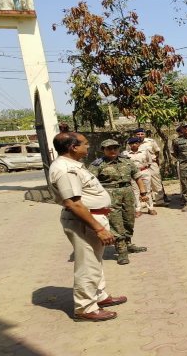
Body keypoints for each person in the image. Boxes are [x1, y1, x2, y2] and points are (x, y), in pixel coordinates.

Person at [49, 132, 126, 322]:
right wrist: (99, 228)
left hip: (92, 218)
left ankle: (100, 296)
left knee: (95, 261)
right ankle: (85, 308)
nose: (88, 146)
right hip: (85, 221)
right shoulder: (66, 169)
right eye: (85, 144)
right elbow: (73, 204)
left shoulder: (73, 165)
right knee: (87, 264)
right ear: (73, 147)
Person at [89, 139, 149, 265]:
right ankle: (121, 251)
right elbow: (91, 183)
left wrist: (143, 193)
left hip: (127, 192)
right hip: (109, 194)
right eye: (109, 148)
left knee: (129, 219)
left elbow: (137, 177)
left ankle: (128, 244)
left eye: (115, 148)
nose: (113, 151)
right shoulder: (97, 165)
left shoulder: (127, 162)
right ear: (103, 150)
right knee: (116, 222)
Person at [123, 137, 156, 217]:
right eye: (131, 144)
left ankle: (150, 208)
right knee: (135, 191)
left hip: (144, 171)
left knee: (147, 190)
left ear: (139, 144)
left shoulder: (144, 151)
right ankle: (138, 209)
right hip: (133, 174)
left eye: (136, 143)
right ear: (129, 145)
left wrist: (144, 168)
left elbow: (149, 161)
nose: (134, 145)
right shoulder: (125, 153)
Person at [135, 128, 166, 206]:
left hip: (152, 164)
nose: (140, 135)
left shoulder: (150, 141)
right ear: (135, 135)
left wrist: (156, 161)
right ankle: (145, 202)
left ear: (145, 134)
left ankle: (159, 200)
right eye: (138, 134)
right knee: (142, 183)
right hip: (141, 165)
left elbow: (157, 151)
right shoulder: (132, 142)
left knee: (156, 181)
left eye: (142, 134)